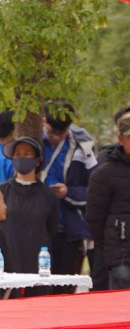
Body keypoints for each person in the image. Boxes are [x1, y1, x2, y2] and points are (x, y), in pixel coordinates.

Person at [41, 102, 96, 282]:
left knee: (65, 285)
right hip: (37, 228)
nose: (56, 138)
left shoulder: (83, 147)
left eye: (61, 133)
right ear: (43, 122)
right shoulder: (31, 143)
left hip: (68, 229)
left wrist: (68, 193)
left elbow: (94, 191)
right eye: (51, 133)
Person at [0, 136, 59, 291]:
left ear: (37, 160)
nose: (21, 158)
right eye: (17, 154)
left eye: (26, 154)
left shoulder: (48, 195)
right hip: (8, 263)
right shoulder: (1, 192)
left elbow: (52, 228)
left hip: (39, 265)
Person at [86, 110, 130, 290]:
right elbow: (94, 219)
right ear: (121, 140)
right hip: (122, 257)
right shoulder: (103, 174)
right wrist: (114, 244)